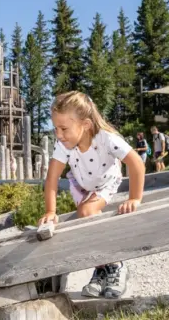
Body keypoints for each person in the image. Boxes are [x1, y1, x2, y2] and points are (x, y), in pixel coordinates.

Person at [38, 91, 146, 299]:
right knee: (84, 217)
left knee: (86, 211)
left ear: (85, 124)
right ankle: (101, 268)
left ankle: (116, 265)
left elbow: (137, 164)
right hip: (81, 185)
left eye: (64, 129)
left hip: (107, 181)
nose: (58, 135)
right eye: (56, 129)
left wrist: (134, 198)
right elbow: (51, 179)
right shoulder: (63, 146)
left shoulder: (106, 139)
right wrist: (51, 211)